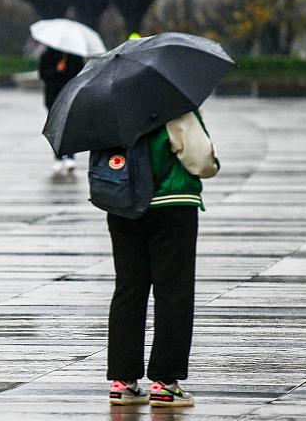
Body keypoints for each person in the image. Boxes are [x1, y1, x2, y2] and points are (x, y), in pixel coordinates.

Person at [107, 109, 219, 408]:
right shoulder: (174, 105)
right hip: (171, 205)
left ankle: (123, 382)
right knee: (173, 292)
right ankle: (165, 383)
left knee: (128, 290)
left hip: (123, 205)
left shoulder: (109, 109)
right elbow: (201, 160)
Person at [38, 46, 85, 173]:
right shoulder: (47, 55)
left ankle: (70, 156)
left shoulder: (74, 55)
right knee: (55, 128)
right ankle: (58, 157)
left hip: (70, 95)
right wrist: (56, 70)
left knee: (70, 127)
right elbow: (43, 75)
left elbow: (81, 74)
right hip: (53, 97)